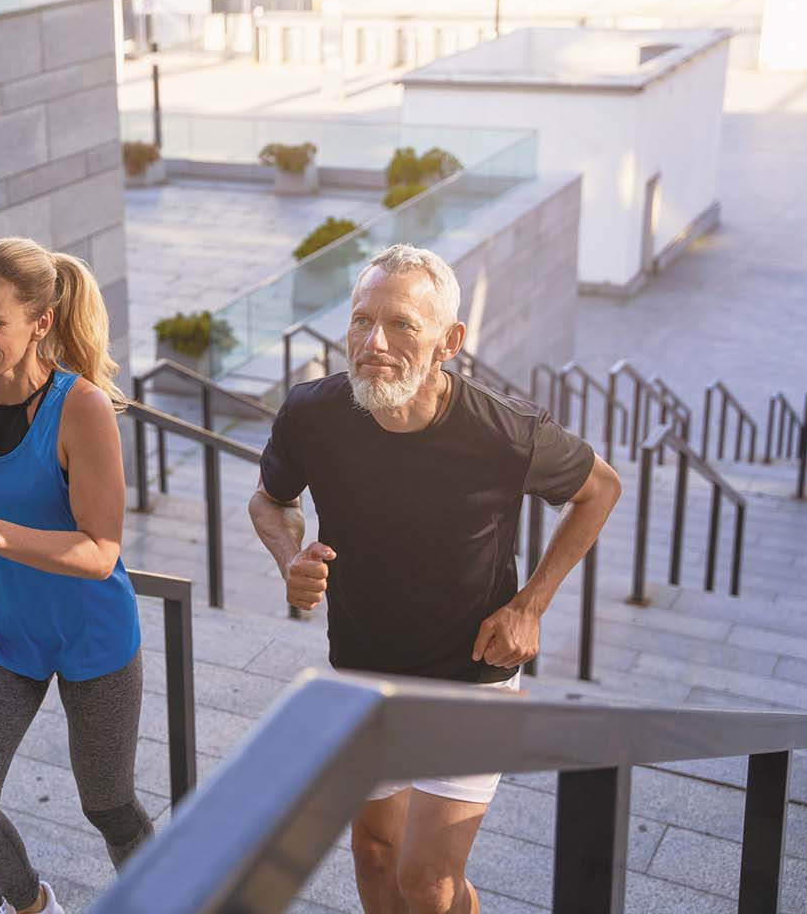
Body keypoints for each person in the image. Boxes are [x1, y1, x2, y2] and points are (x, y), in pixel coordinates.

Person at [248, 244, 621, 914]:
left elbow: (600, 489)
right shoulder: (312, 412)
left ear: (448, 341)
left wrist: (531, 605)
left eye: (402, 326)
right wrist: (289, 561)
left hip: (471, 680)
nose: (374, 341)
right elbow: (270, 500)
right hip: (362, 671)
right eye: (362, 321)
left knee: (428, 884)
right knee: (375, 856)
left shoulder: (507, 433)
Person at [0, 237, 152, 914]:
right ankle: (35, 905)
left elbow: (100, 551)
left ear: (41, 322)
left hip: (91, 637)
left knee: (109, 805)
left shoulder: (81, 410)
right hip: (1, 630)